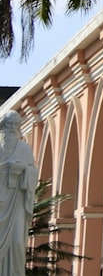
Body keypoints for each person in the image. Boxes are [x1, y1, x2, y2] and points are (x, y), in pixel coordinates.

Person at [0, 110, 39, 276]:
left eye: (16, 125)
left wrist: (23, 169)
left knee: (17, 243)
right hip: (1, 202)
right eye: (9, 124)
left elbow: (33, 172)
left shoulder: (24, 149)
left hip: (17, 202)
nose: (12, 128)